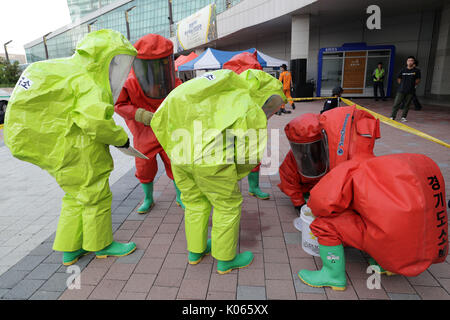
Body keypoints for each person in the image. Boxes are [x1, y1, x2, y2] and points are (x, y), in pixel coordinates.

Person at [5, 30, 138, 265]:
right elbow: (96, 123)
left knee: (74, 198)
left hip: (64, 151)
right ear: (104, 58)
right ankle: (102, 245)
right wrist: (121, 139)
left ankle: (70, 250)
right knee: (96, 197)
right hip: (83, 154)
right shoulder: (88, 82)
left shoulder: (68, 72)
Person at [151, 69, 286, 274]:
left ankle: (195, 252)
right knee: (227, 205)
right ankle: (225, 260)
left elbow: (159, 118)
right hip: (212, 162)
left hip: (181, 157)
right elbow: (249, 153)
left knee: (194, 203)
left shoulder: (218, 90)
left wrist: (174, 150)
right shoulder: (247, 104)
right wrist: (233, 173)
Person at [298, 153, 448, 290]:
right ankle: (383, 263)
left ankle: (333, 276)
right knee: (379, 218)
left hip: (389, 243)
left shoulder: (352, 169)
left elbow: (322, 203)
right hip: (423, 246)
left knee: (324, 225)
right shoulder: (388, 166)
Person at [115, 34, 184, 214]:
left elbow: (183, 98)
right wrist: (141, 114)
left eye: (162, 64)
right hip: (144, 132)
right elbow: (118, 104)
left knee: (176, 163)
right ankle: (148, 198)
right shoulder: (129, 82)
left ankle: (180, 195)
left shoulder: (173, 80)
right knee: (144, 167)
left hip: (169, 130)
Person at [278, 105, 380, 215]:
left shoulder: (336, 151)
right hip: (309, 189)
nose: (308, 151)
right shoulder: (293, 158)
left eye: (313, 146)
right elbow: (288, 179)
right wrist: (299, 203)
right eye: (302, 148)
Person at [223, 51, 270, 200]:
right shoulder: (228, 86)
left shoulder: (257, 85)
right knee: (230, 157)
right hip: (231, 125)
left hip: (251, 125)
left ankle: (253, 187)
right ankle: (230, 189)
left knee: (253, 156)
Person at [390, 56, 421, 122]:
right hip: (401, 90)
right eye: (408, 60)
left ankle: (403, 117)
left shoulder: (416, 71)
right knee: (396, 104)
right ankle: (392, 116)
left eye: (411, 60)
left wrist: (412, 85)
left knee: (407, 105)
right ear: (406, 62)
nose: (410, 62)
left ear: (413, 62)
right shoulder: (403, 70)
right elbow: (399, 78)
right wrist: (402, 84)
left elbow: (418, 80)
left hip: (410, 91)